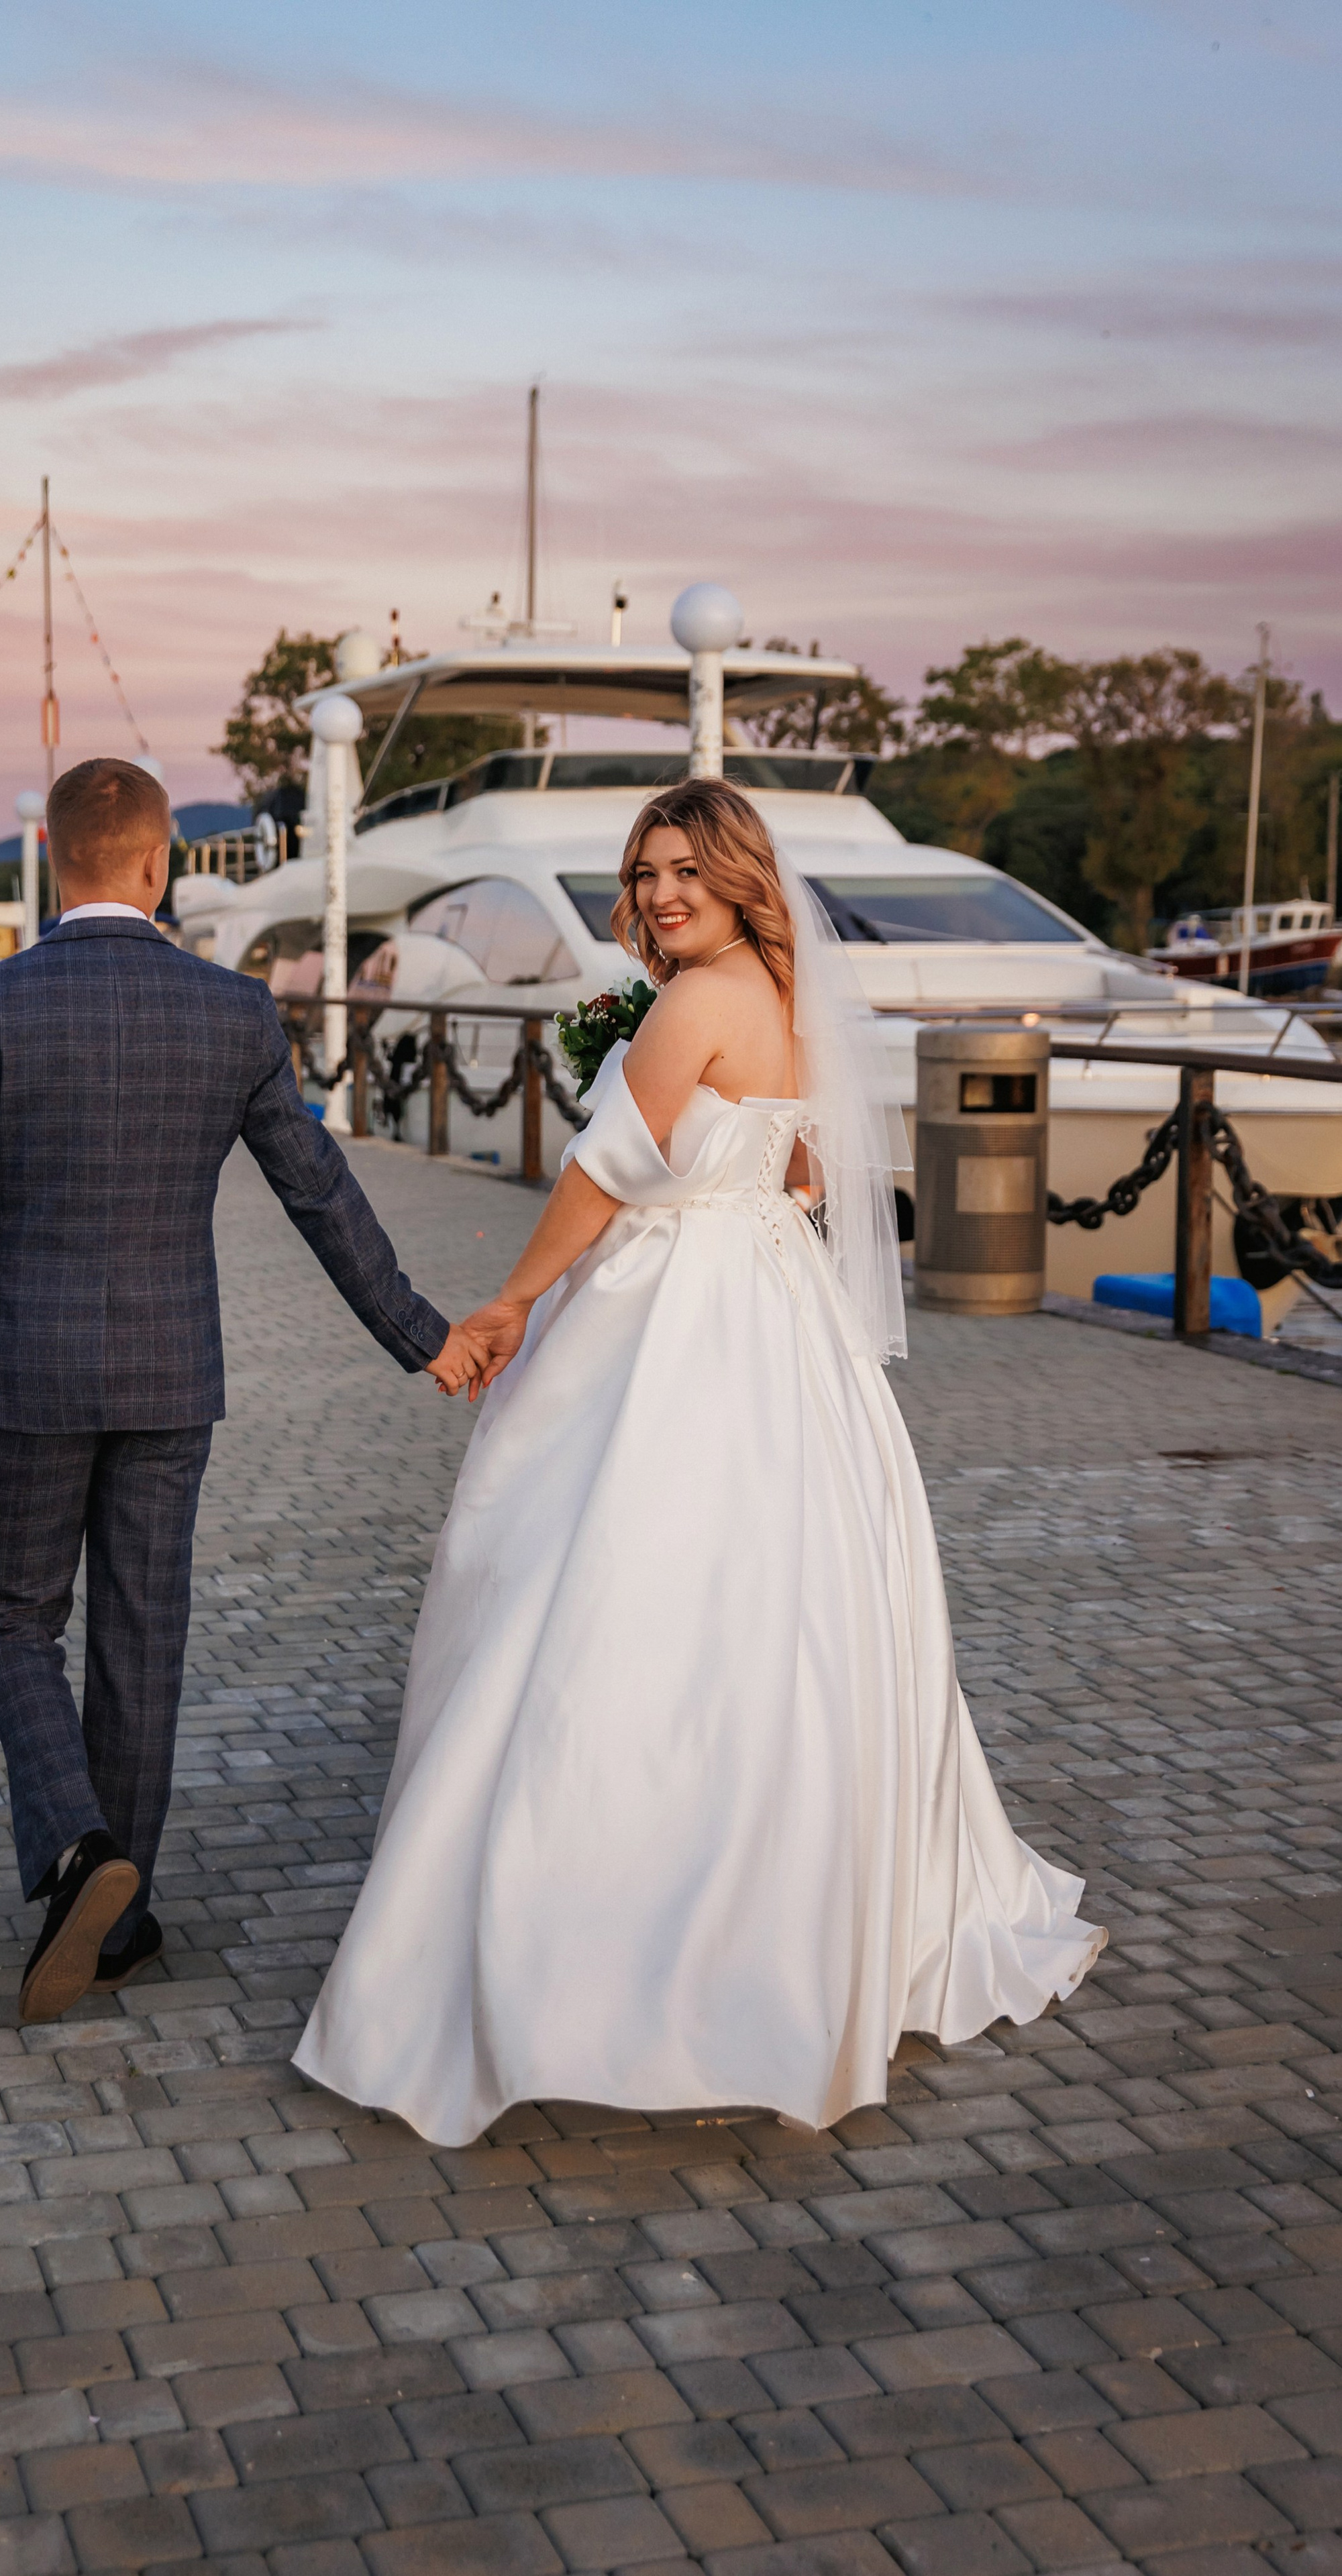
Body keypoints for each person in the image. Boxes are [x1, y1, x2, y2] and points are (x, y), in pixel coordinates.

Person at [294, 777, 1104, 2147]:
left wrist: (505, 1305)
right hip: (772, 1311)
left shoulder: (691, 1003)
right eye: (644, 869)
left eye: (685, 869)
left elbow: (604, 1175)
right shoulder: (777, 1004)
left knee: (615, 1585)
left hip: (679, 1314)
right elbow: (794, 1183)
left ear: (737, 878)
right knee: (776, 1598)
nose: (661, 891)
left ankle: (614, 1931)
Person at [0, 757, 475, 2023]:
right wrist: (424, 1336)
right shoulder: (234, 1014)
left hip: (26, 1377)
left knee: (14, 1620)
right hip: (171, 1375)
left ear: (55, 858)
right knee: (143, 1637)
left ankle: (78, 1849)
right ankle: (122, 1919)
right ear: (157, 864)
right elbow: (321, 1192)